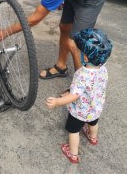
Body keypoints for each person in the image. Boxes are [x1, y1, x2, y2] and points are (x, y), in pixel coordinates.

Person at [45, 28, 112, 163]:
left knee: (73, 131)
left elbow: (75, 95)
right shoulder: (103, 68)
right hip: (95, 107)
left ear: (85, 58)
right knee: (93, 123)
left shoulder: (82, 75)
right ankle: (93, 137)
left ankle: (73, 154)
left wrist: (58, 101)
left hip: (80, 111)